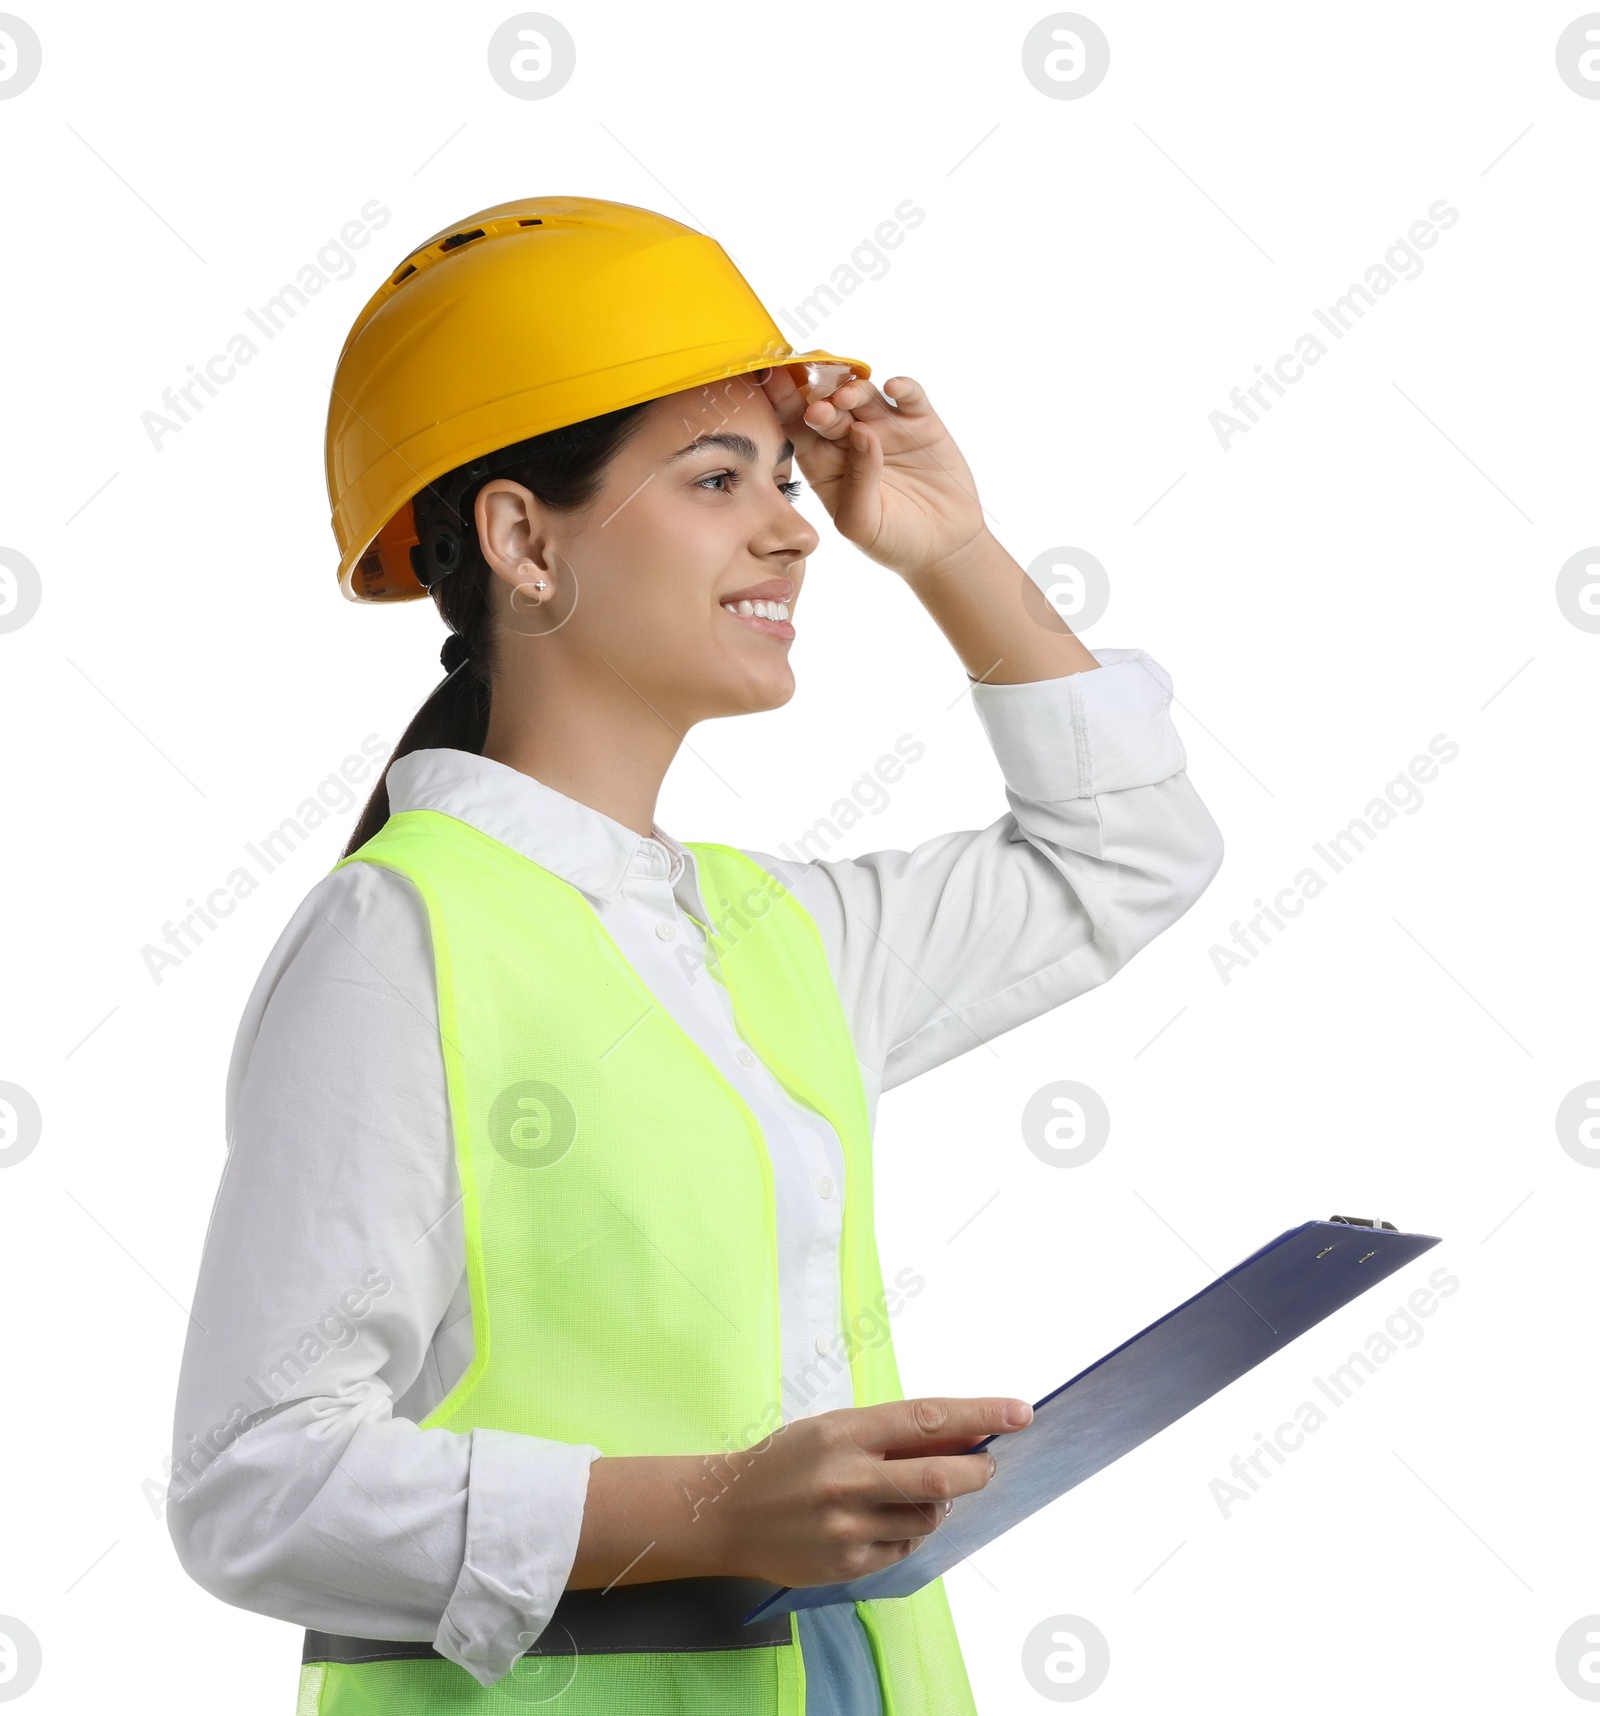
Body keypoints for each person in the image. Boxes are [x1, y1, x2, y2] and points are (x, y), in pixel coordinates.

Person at [167, 195, 1225, 1715]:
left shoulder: (772, 934)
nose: (794, 526)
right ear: (524, 539)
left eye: (785, 478)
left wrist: (952, 549)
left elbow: (1128, 852)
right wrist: (710, 1512)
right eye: (718, 477)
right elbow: (252, 1483)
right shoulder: (399, 936)